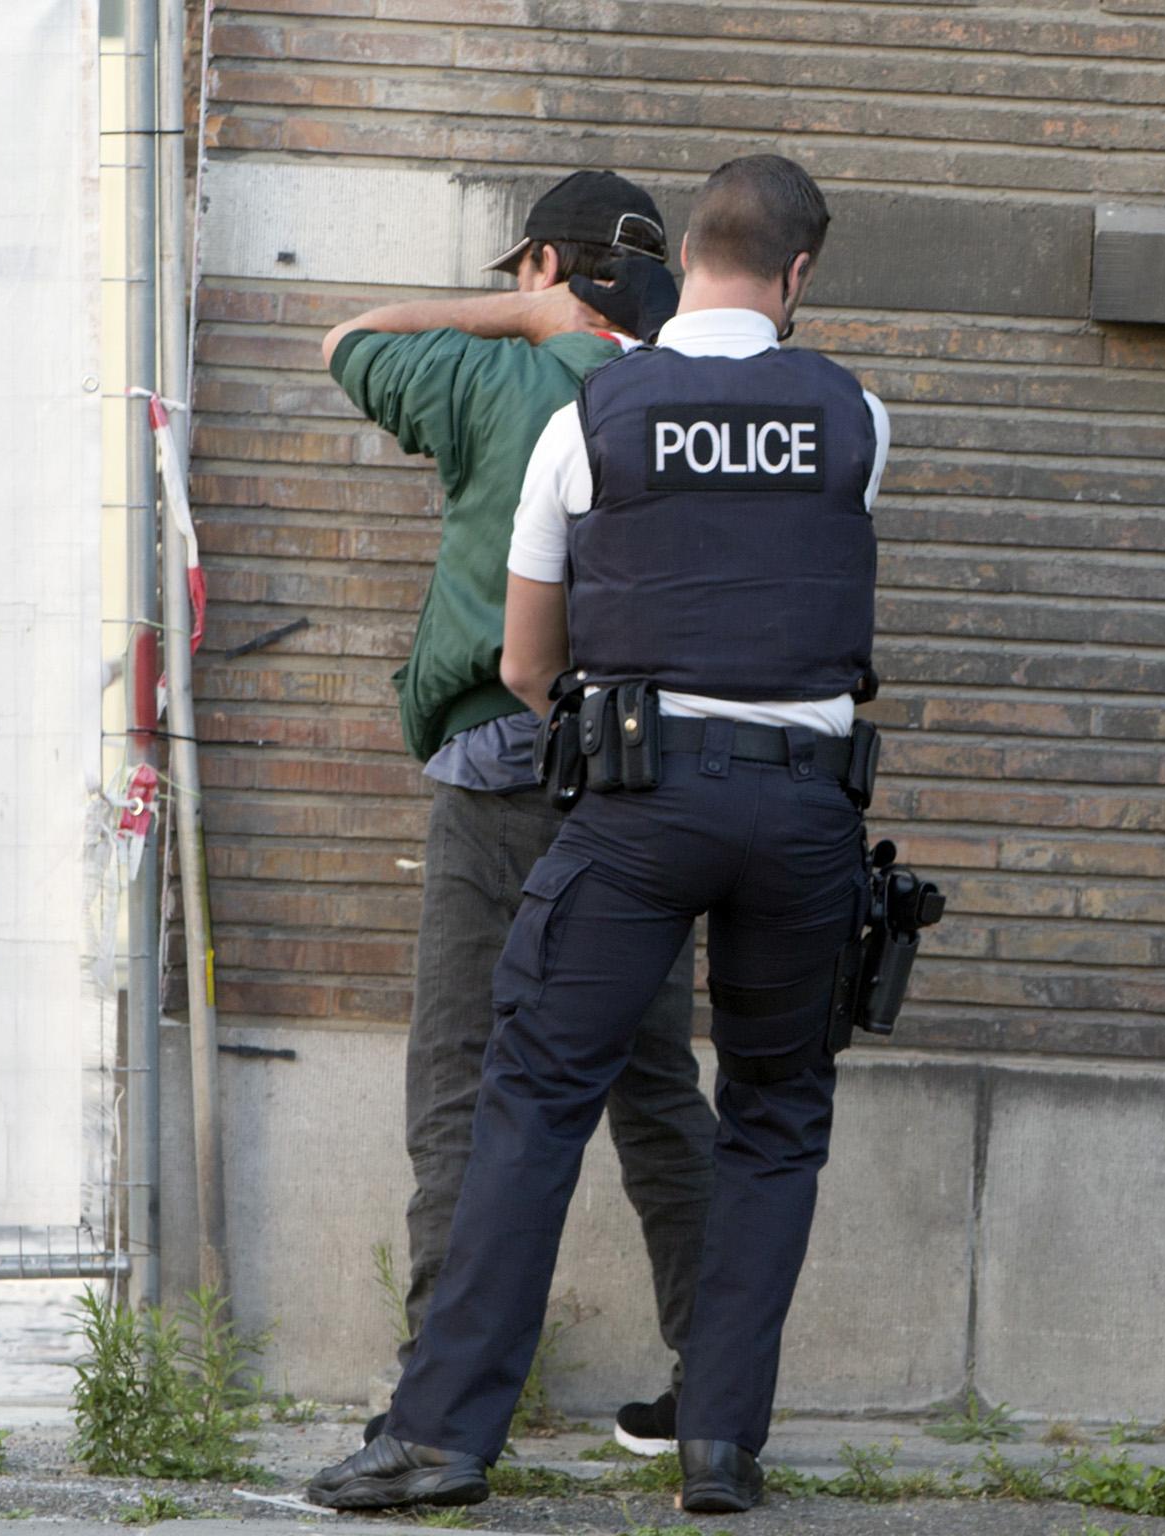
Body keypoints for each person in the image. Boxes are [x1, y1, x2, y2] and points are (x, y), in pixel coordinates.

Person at [309, 153, 891, 1517]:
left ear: (689, 258)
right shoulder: (858, 417)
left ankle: (444, 1436)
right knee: (770, 1118)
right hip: (807, 808)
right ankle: (721, 1447)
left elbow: (523, 663)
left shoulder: (598, 415)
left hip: (635, 805)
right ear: (797, 274)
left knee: (528, 1100)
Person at [319, 171, 714, 1456]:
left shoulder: (500, 378)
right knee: (653, 1090)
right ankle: (716, 1399)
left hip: (500, 769)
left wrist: (523, 321)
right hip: (648, 790)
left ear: (545, 265)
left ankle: (432, 1403)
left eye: (522, 274)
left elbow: (348, 342)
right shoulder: (694, 399)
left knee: (462, 1085)